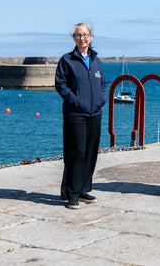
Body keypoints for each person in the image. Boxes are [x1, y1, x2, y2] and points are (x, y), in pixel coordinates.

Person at [55, 23, 106, 209]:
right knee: (75, 153)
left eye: (85, 34)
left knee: (90, 152)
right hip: (75, 113)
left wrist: (101, 99)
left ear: (91, 37)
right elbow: (60, 85)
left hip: (95, 113)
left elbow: (102, 84)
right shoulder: (67, 60)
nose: (82, 38)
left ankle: (83, 188)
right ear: (74, 38)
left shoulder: (96, 60)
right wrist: (76, 101)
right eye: (78, 35)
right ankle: (72, 194)